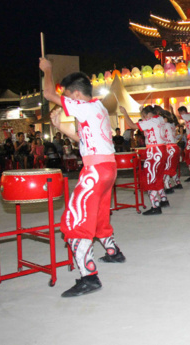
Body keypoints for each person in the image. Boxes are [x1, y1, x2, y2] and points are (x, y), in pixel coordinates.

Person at [40, 57, 124, 298]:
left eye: (67, 96)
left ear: (75, 95)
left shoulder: (83, 107)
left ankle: (89, 276)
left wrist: (47, 70)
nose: (65, 101)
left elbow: (48, 93)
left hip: (95, 171)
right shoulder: (98, 108)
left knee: (75, 222)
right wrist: (61, 129)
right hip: (108, 168)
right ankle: (112, 252)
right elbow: (84, 140)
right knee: (97, 214)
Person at [121, 105, 169, 215]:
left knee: (149, 177)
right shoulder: (159, 119)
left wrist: (124, 113)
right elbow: (145, 123)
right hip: (162, 150)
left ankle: (155, 205)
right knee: (158, 176)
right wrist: (141, 112)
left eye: (143, 116)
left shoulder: (151, 121)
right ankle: (163, 199)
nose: (143, 118)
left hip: (154, 151)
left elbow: (132, 125)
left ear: (147, 115)